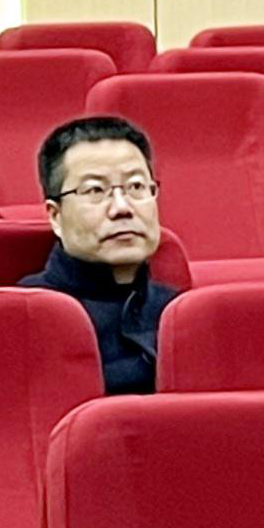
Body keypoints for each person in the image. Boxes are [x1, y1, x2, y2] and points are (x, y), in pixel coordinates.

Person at [21, 116, 179, 396]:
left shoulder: (180, 313)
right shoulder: (25, 316)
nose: (122, 208)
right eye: (95, 190)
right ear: (55, 216)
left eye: (136, 187)